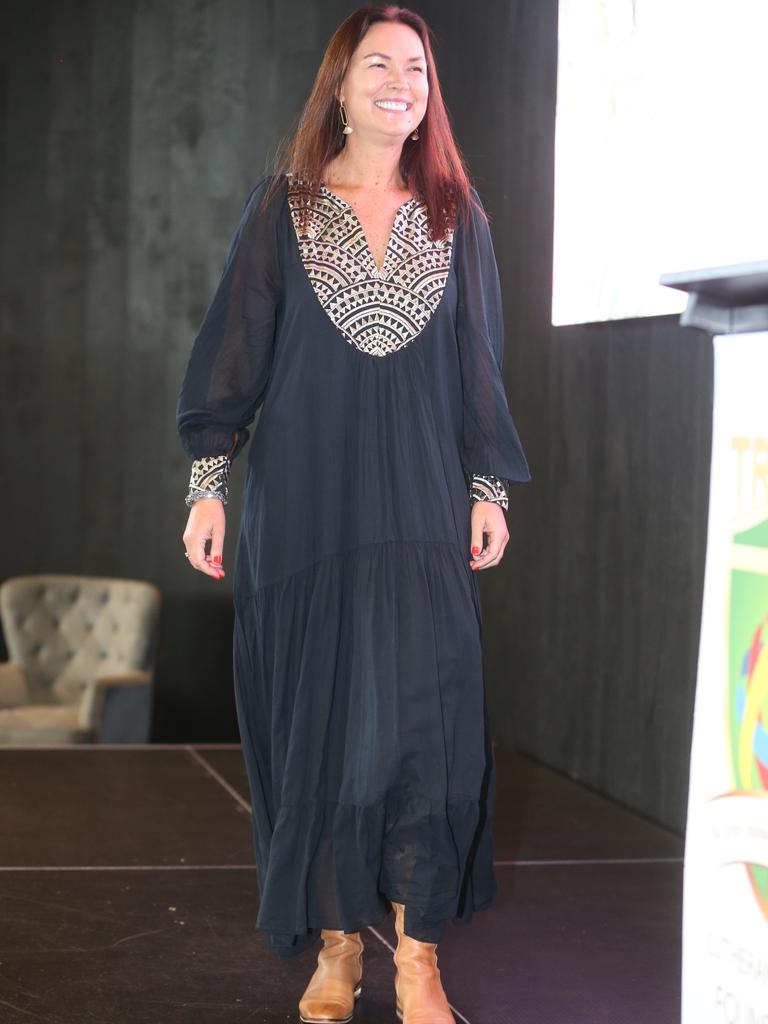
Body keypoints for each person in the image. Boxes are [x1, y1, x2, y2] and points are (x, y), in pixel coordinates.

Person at [176, 5, 531, 1022]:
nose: (399, 80)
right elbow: (232, 356)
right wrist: (208, 486)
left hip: (420, 508)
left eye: (415, 66)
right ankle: (337, 947)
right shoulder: (281, 206)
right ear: (339, 83)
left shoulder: (457, 214)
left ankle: (418, 958)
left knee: (430, 727)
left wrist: (488, 486)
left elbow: (479, 372)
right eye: (378, 62)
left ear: (429, 93)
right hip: (305, 514)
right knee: (320, 728)